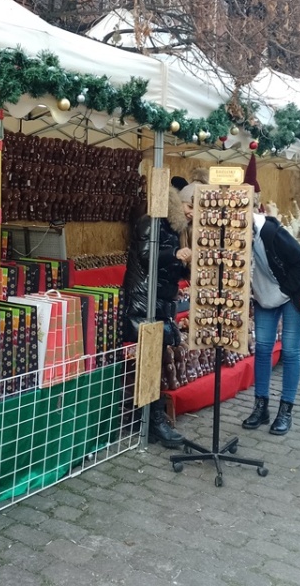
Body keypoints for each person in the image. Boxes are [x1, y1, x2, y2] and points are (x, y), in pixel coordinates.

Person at [122, 185, 192, 448]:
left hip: (159, 302)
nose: (191, 213)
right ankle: (152, 421)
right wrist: (175, 254)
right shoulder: (150, 221)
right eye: (189, 207)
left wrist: (184, 267)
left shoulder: (175, 229)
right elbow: (146, 256)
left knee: (157, 360)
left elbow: (167, 267)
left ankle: (153, 418)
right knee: (150, 361)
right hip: (144, 303)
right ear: (178, 205)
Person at [241, 212, 300, 435]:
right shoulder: (238, 237)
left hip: (294, 294)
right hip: (265, 295)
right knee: (263, 348)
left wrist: (287, 289)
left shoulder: (272, 233)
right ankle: (261, 406)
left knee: (291, 350)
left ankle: (285, 410)